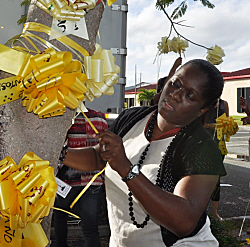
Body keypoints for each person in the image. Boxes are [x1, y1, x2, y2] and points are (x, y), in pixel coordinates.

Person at [61, 59, 226, 246]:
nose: (176, 95)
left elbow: (184, 222)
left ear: (202, 109)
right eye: (176, 83)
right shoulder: (133, 118)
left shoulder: (202, 148)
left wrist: (126, 169)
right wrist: (59, 154)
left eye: (190, 96)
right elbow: (99, 157)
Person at [53, 108, 108, 247]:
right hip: (93, 181)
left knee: (60, 217)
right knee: (90, 228)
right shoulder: (99, 118)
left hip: (68, 180)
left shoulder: (63, 119)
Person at [204, 99, 229, 221]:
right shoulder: (204, 102)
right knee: (201, 176)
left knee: (216, 177)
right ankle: (199, 210)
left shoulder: (224, 104)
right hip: (203, 143)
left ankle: (215, 212)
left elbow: (227, 125)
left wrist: (222, 127)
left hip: (219, 144)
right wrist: (210, 125)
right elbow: (196, 123)